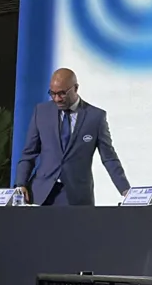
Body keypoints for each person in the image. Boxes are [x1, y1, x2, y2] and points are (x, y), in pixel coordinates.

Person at [15, 68, 130, 205]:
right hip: (41, 195)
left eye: (62, 93)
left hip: (77, 197)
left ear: (75, 88)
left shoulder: (95, 117)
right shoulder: (41, 112)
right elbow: (29, 153)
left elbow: (109, 158)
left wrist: (125, 190)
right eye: (52, 93)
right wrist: (20, 184)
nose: (57, 98)